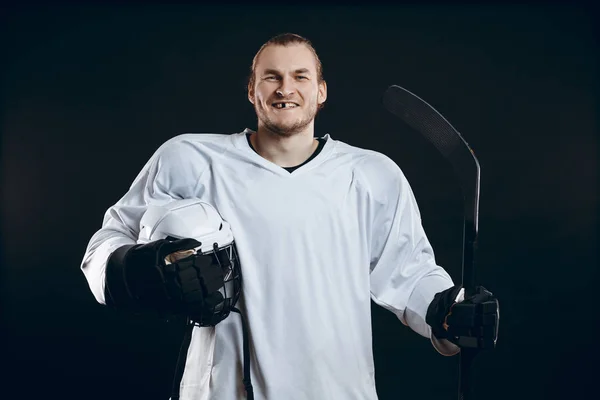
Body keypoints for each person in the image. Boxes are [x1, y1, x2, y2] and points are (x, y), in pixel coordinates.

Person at [80, 33, 499, 400]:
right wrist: (135, 267)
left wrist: (449, 310)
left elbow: (409, 274)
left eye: (300, 77)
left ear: (321, 91)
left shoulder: (372, 174)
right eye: (272, 77)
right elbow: (105, 245)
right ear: (251, 90)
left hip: (336, 389)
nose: (286, 88)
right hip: (223, 391)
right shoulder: (189, 160)